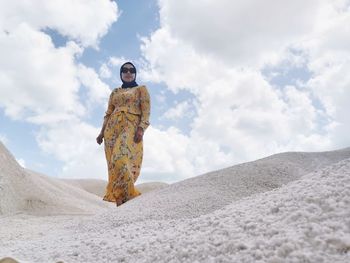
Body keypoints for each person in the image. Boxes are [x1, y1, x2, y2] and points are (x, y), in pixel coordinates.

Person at [96, 62, 150, 206]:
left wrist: (141, 129)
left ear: (135, 73)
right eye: (124, 70)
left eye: (131, 70)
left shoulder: (141, 89)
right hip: (111, 130)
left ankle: (131, 197)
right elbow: (108, 113)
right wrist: (101, 132)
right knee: (114, 165)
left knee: (120, 160)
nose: (128, 72)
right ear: (120, 73)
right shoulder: (114, 92)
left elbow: (146, 112)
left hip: (130, 127)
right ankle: (120, 203)